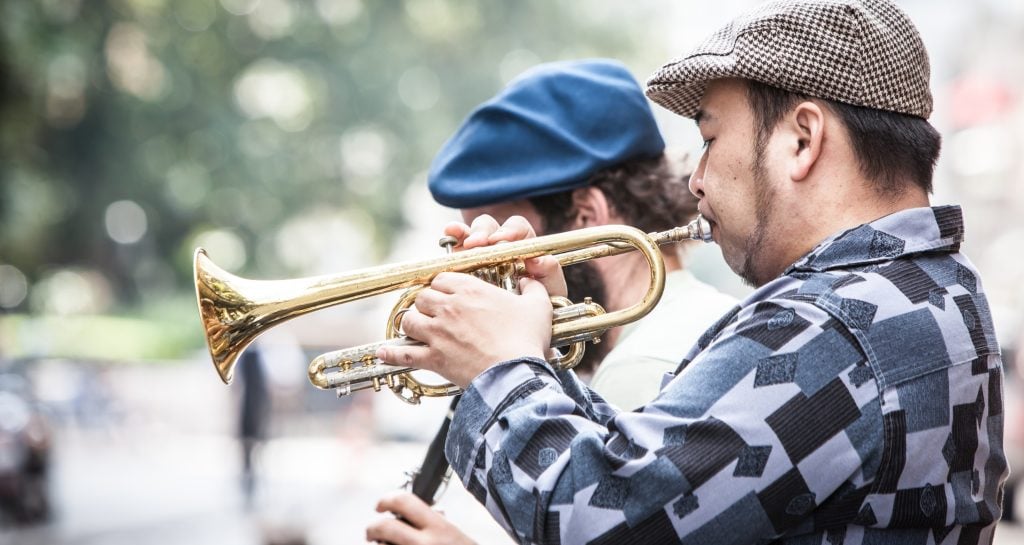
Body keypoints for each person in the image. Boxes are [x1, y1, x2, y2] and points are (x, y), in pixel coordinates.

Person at [372, 0, 1008, 543]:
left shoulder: (835, 325)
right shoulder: (933, 285)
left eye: (708, 138)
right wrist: (537, 351)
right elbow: (666, 480)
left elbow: (602, 520)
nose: (696, 181)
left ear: (802, 140)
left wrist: (498, 367)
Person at [366, 59, 736, 544]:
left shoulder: (641, 367)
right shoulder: (701, 316)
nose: (481, 276)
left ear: (587, 216)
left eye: (502, 241)